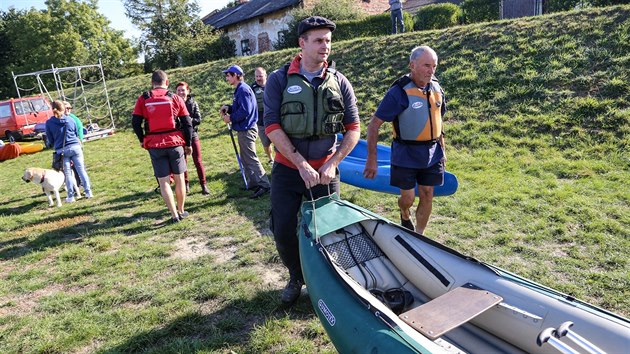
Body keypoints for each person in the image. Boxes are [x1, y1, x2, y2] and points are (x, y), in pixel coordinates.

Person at [264, 16, 360, 303]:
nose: (325, 46)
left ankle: (331, 280)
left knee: (330, 231)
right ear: (302, 43)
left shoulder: (340, 82)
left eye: (328, 41)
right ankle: (296, 277)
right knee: (282, 229)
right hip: (287, 170)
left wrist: (333, 163)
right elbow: (271, 126)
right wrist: (300, 164)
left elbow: (353, 128)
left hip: (327, 172)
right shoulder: (279, 80)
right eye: (318, 40)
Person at [363, 45, 446, 235]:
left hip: (432, 153)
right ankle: (404, 211)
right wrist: (372, 159)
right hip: (405, 153)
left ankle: (419, 235)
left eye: (434, 66)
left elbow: (438, 121)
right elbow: (374, 125)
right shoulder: (399, 92)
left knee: (427, 194)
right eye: (426, 65)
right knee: (407, 198)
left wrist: (443, 150)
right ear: (412, 65)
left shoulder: (437, 88)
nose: (431, 70)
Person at [132, 70, 193, 223]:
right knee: (179, 180)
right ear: (167, 82)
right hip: (175, 143)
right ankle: (181, 210)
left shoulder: (143, 98)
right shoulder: (175, 98)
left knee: (164, 182)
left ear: (152, 83)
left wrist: (142, 139)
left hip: (155, 145)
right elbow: (187, 123)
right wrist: (188, 143)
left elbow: (135, 122)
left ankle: (173, 215)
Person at [220, 64, 271, 199]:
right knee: (245, 158)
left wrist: (230, 117)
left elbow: (245, 111)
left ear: (236, 76)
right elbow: (240, 107)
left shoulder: (243, 90)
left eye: (228, 75)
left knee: (251, 157)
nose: (227, 78)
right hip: (243, 128)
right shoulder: (239, 89)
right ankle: (254, 182)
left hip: (247, 129)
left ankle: (264, 184)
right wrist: (229, 108)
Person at [45, 100, 93, 202]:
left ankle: (70, 196)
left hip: (61, 150)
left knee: (67, 174)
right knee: (81, 170)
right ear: (64, 108)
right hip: (75, 147)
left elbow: (50, 139)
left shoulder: (49, 123)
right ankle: (88, 192)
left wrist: (56, 144)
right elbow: (76, 133)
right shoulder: (71, 119)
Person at [176, 82, 210, 195]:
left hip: (193, 134)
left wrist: (188, 121)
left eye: (183, 90)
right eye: (178, 90)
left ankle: (203, 184)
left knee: (198, 160)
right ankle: (185, 185)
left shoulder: (193, 103)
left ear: (188, 91)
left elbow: (198, 119)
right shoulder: (174, 103)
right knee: (182, 162)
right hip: (180, 136)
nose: (181, 92)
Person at [251, 67, 274, 164]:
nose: (258, 78)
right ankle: (270, 158)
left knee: (279, 141)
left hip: (274, 119)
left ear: (265, 76)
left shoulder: (272, 85)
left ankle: (281, 160)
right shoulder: (252, 88)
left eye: (260, 76)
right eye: (256, 76)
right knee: (266, 143)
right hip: (260, 121)